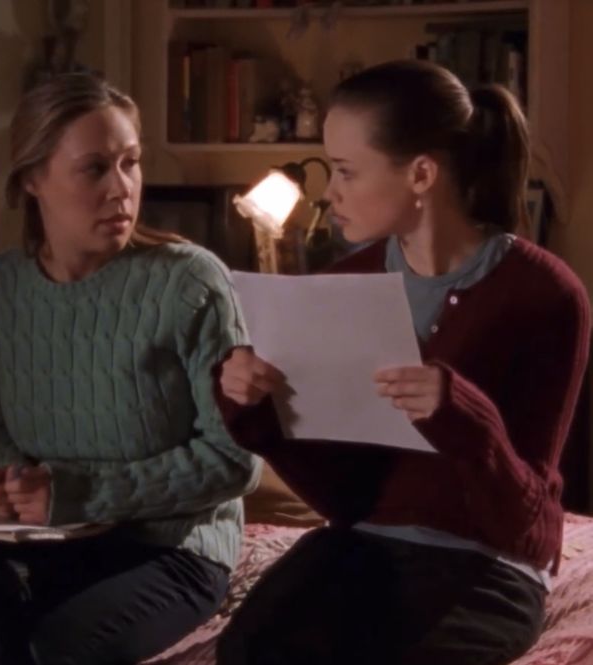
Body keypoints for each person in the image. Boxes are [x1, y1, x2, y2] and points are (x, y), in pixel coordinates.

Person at [215, 60, 590, 665]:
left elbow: (525, 522)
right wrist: (252, 409)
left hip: (488, 565)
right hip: (363, 547)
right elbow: (345, 496)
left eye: (345, 171)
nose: (328, 192)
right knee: (247, 654)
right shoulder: (344, 285)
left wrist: (462, 416)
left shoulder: (545, 295)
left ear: (420, 174)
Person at [0, 72, 261, 665]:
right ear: (33, 179)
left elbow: (235, 461)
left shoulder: (189, 281)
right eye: (95, 169)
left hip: (173, 548)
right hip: (53, 539)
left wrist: (84, 494)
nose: (122, 188)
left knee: (55, 649)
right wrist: (7, 484)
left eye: (130, 163)